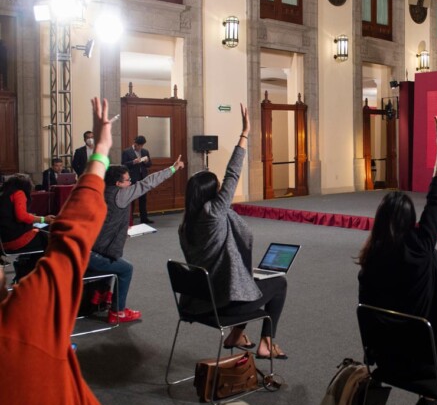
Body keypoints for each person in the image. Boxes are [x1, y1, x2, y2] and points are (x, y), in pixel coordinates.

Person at [0, 97, 254, 405]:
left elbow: (74, 225)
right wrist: (101, 149)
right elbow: (73, 229)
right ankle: (118, 307)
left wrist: (130, 161)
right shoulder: (22, 324)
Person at [357, 116, 437, 405]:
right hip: (423, 364)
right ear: (411, 221)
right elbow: (436, 203)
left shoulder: (369, 262)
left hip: (386, 360)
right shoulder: (421, 247)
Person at [180, 102, 288, 359]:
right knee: (279, 284)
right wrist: (245, 133)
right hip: (221, 305)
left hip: (197, 302)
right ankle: (265, 343)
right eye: (217, 188)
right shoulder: (213, 214)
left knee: (249, 282)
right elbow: (232, 174)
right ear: (211, 194)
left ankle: (237, 334)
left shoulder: (186, 225)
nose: (222, 190)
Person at [89, 157, 184, 324]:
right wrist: (173, 169)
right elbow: (147, 183)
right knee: (125, 269)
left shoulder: (100, 192)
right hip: (97, 252)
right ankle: (117, 312)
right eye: (127, 180)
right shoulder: (121, 195)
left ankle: (101, 294)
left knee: (114, 259)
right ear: (118, 183)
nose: (131, 182)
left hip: (91, 247)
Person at [0, 173, 54, 253]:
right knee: (51, 239)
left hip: (4, 240)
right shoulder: (19, 193)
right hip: (17, 240)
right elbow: (21, 217)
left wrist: (34, 217)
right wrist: (44, 219)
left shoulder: (4, 194)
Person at [122, 135, 154, 224]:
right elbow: (123, 164)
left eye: (141, 145)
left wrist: (147, 162)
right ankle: (129, 220)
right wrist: (133, 162)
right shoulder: (127, 152)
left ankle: (144, 218)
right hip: (132, 178)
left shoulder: (145, 151)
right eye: (138, 145)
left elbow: (149, 164)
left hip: (143, 178)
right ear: (134, 143)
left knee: (143, 199)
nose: (139, 147)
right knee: (131, 200)